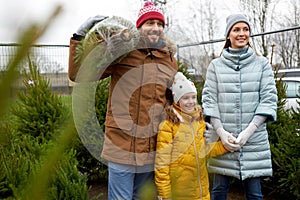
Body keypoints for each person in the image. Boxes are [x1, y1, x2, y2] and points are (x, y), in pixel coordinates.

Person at [68, 1, 178, 200]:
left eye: (159, 24)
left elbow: (170, 99)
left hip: (150, 146)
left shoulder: (169, 59)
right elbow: (78, 74)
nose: (155, 28)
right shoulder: (122, 51)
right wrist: (79, 35)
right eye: (150, 23)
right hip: (121, 143)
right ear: (139, 27)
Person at [201, 13, 278, 200]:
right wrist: (221, 133)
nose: (241, 33)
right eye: (236, 29)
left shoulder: (262, 65)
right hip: (222, 142)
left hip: (253, 140)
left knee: (254, 193)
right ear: (228, 35)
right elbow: (209, 100)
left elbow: (268, 98)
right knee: (218, 190)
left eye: (245, 29)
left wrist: (247, 133)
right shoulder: (215, 66)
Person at [155, 72, 228, 200]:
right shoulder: (168, 126)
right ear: (177, 100)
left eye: (193, 97)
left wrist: (226, 145)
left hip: (202, 191)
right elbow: (162, 163)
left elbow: (203, 151)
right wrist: (165, 194)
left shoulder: (199, 121)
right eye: (186, 98)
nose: (191, 102)